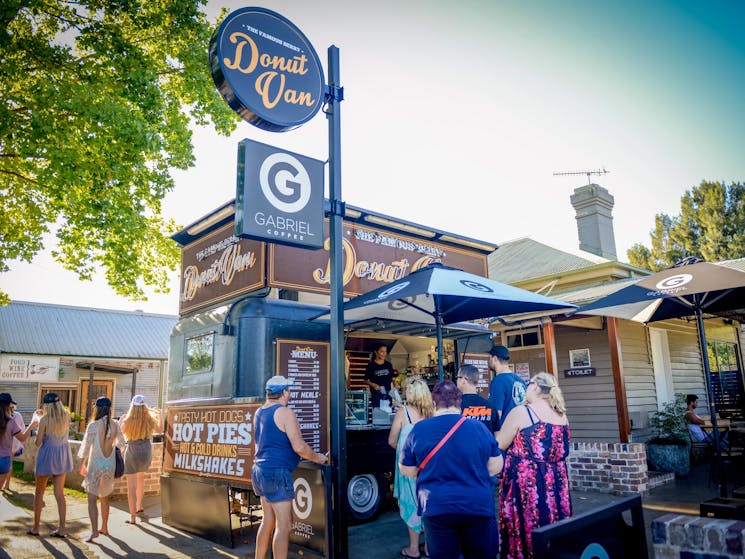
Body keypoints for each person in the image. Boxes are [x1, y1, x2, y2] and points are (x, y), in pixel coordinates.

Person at [401, 380, 503, 559]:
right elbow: (496, 466)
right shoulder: (478, 428)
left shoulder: (419, 430)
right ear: (459, 403)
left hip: (437, 507)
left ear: (434, 404)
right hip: (477, 506)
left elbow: (406, 469)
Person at [497, 373, 572, 559]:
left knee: (528, 527)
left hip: (528, 485)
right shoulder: (562, 415)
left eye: (528, 383)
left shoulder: (523, 412)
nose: (526, 387)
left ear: (537, 387)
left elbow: (500, 443)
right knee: (553, 525)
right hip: (556, 483)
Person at [253, 375, 328, 559]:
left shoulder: (259, 412)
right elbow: (300, 447)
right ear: (284, 393)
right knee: (284, 526)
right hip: (277, 473)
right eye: (289, 390)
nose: (290, 394)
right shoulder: (285, 413)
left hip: (260, 471)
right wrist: (319, 458)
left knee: (267, 521)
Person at [388, 378, 434, 558]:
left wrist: (403, 448)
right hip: (429, 467)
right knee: (428, 504)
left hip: (408, 467)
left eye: (408, 390)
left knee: (410, 504)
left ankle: (414, 548)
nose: (406, 392)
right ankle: (430, 547)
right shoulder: (433, 413)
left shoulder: (403, 412)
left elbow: (392, 440)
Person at [79, 396, 124, 542]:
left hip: (96, 465)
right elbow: (122, 444)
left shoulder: (93, 425)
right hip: (109, 465)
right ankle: (104, 527)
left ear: (96, 409)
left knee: (92, 499)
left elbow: (85, 448)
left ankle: (94, 531)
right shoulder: (116, 424)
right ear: (110, 409)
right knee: (105, 497)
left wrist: (82, 464)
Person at [31, 392, 73, 538]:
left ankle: (36, 527)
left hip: (47, 456)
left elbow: (37, 443)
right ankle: (62, 528)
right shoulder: (66, 416)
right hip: (62, 456)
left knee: (39, 493)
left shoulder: (44, 420)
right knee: (59, 494)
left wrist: (37, 422)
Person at [119, 394, 162, 524]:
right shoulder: (149, 419)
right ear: (144, 406)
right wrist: (159, 415)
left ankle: (132, 517)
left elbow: (120, 435)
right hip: (146, 450)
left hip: (132, 451)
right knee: (140, 478)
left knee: (130, 486)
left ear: (132, 406)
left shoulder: (128, 420)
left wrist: (121, 421)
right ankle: (139, 507)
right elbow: (160, 431)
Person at [1, 393, 39, 493]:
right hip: (4, 459)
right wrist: (31, 425)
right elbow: (22, 438)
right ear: (8, 406)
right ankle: (6, 486)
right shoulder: (10, 422)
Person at [487, 345, 527, 430]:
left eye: (489, 358)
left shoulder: (498, 381)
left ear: (495, 359)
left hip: (505, 433)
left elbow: (497, 414)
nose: (488, 361)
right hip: (522, 431)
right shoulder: (520, 380)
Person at [457, 364, 496, 432]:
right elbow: (497, 433)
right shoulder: (490, 406)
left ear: (463, 380)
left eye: (457, 377)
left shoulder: (456, 406)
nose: (456, 380)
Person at [364, 343, 395, 408]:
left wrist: (396, 384)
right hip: (376, 395)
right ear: (376, 352)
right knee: (378, 414)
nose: (384, 354)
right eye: (382, 351)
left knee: (387, 412)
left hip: (387, 394)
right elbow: (366, 380)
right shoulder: (371, 365)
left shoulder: (388, 365)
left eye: (385, 351)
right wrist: (373, 385)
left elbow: (392, 378)